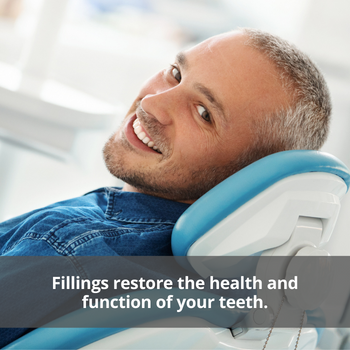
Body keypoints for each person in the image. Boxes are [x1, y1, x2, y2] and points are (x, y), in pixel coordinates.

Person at [0, 28, 331, 346]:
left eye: (204, 113)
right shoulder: (258, 298)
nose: (153, 104)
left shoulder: (69, 247)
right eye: (175, 73)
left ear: (247, 177)